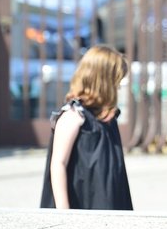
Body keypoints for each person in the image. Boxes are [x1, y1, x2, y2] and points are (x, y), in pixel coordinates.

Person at [40, 44, 132, 210]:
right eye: (116, 82)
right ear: (102, 82)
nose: (118, 88)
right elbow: (58, 163)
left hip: (108, 203)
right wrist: (64, 211)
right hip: (82, 204)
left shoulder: (106, 119)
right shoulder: (74, 116)